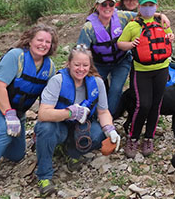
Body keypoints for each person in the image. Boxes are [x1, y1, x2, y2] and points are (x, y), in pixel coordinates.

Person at [0, 24, 58, 199]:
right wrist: (9, 114)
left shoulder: (50, 67)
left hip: (19, 113)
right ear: (30, 40)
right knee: (3, 133)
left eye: (48, 42)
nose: (43, 44)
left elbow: (47, 98)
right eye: (39, 40)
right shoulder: (16, 56)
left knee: (17, 155)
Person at [34, 45, 120, 196]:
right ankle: (44, 176)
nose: (81, 69)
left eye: (85, 65)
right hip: (58, 125)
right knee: (45, 129)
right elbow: (43, 114)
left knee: (98, 133)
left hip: (80, 126)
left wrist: (109, 129)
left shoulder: (97, 83)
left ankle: (71, 152)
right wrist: (69, 113)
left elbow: (103, 111)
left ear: (90, 66)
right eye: (77, 65)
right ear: (69, 64)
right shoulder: (58, 81)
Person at [77, 0, 170, 117]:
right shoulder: (88, 28)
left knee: (115, 89)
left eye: (111, 4)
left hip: (121, 61)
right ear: (97, 6)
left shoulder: (122, 16)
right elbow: (81, 51)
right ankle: (89, 115)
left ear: (115, 6)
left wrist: (161, 15)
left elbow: (144, 15)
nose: (108, 7)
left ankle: (109, 118)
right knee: (93, 89)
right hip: (99, 64)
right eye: (104, 4)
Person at [117, 0, 174, 158]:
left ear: (156, 6)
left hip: (162, 69)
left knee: (156, 105)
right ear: (139, 7)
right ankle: (133, 137)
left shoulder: (162, 22)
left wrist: (171, 36)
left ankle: (148, 137)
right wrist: (130, 44)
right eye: (145, 5)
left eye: (151, 5)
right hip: (141, 71)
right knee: (143, 105)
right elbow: (120, 43)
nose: (148, 8)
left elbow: (169, 35)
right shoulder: (133, 25)